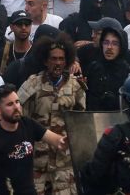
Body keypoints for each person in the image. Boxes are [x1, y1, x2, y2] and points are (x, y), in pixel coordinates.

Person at [17, 40, 85, 194]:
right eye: (53, 59)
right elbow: (20, 118)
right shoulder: (32, 83)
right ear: (45, 61)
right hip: (38, 161)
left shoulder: (75, 87)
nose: (58, 63)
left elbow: (81, 123)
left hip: (64, 163)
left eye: (61, 59)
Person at [0, 84, 69, 195]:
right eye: (10, 104)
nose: (16, 107)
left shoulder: (28, 124)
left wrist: (72, 141)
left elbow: (57, 141)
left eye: (17, 102)